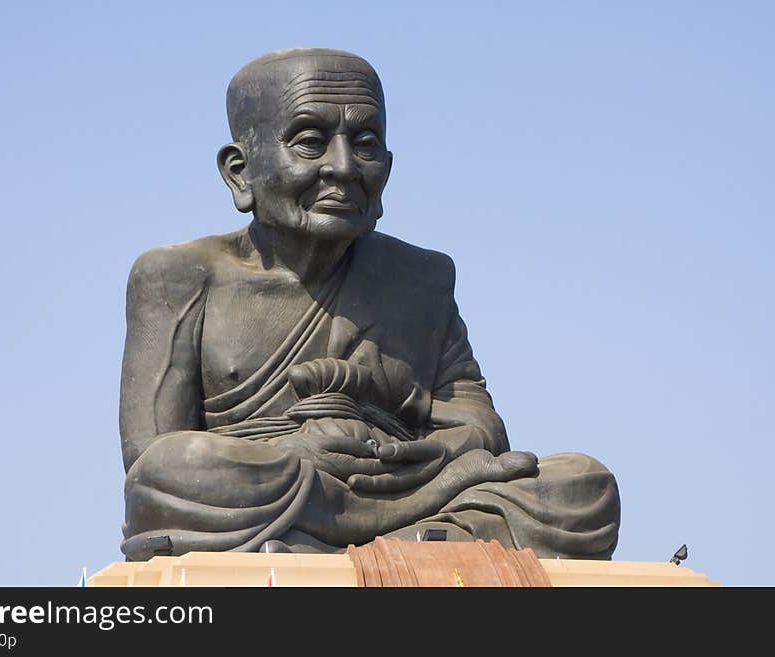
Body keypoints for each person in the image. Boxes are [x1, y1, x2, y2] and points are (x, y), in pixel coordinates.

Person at [119, 48, 620, 560]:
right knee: (175, 469)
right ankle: (414, 546)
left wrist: (423, 442)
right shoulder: (179, 277)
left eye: (366, 144)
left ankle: (339, 547)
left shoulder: (421, 277)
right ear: (240, 172)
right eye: (311, 143)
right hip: (278, 490)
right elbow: (148, 459)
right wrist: (290, 452)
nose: (343, 168)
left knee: (582, 482)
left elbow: (482, 427)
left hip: (413, 488)